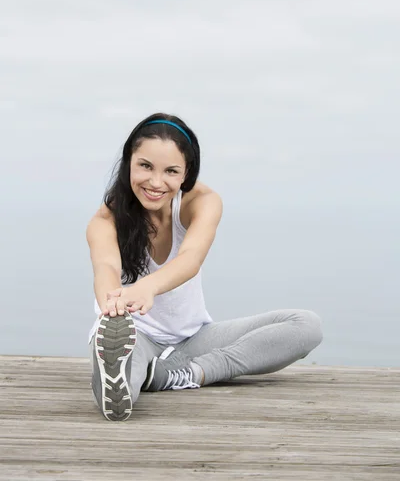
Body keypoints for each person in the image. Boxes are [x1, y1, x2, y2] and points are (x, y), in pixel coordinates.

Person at [87, 113, 323, 421]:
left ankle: (188, 373)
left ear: (186, 173)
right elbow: (105, 266)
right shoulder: (105, 219)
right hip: (135, 334)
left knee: (306, 325)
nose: (156, 182)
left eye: (171, 171)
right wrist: (112, 303)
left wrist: (147, 287)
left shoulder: (201, 201)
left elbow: (191, 258)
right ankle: (125, 375)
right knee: (123, 391)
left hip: (193, 339)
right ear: (129, 162)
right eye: (145, 166)